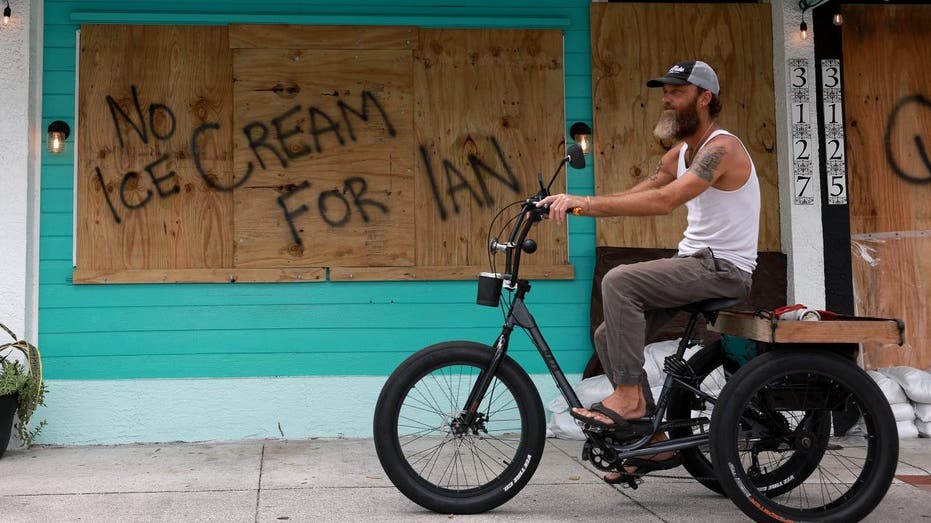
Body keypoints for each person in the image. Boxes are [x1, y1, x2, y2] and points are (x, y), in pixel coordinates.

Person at [538, 60, 760, 483]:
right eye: (665, 91)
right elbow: (646, 190)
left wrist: (582, 201)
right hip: (694, 263)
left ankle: (630, 399)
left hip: (724, 268)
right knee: (608, 335)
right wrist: (574, 204)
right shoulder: (682, 152)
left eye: (676, 91)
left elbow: (665, 202)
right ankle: (652, 442)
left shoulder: (721, 147)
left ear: (705, 97)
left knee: (619, 280)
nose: (666, 98)